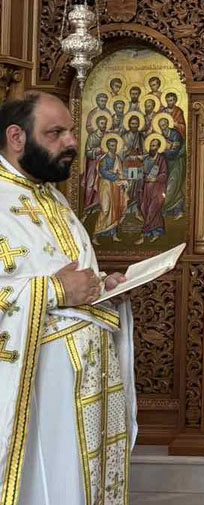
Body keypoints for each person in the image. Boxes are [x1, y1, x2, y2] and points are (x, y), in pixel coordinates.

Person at [0, 92, 135, 505]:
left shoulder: (53, 198)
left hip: (84, 378)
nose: (72, 142)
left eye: (71, 131)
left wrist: (101, 286)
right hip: (39, 390)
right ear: (16, 137)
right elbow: (50, 284)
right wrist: (57, 290)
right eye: (55, 133)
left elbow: (68, 274)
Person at [93, 136, 129, 243]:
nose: (114, 148)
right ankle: (95, 234)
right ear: (108, 146)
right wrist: (117, 177)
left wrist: (122, 180)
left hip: (115, 186)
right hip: (105, 186)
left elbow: (120, 172)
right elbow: (103, 172)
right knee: (105, 209)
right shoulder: (104, 159)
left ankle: (113, 235)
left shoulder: (117, 158)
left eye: (115, 146)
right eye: (112, 146)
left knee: (115, 210)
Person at [136, 135, 168, 244]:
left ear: (158, 147)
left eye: (154, 146)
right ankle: (156, 232)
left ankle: (143, 234)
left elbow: (164, 175)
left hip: (157, 190)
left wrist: (155, 178)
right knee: (145, 208)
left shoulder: (161, 160)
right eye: (151, 145)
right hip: (146, 189)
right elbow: (140, 173)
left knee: (152, 210)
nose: (151, 147)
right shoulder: (146, 159)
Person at [156, 117, 185, 219]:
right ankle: (169, 211)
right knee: (167, 186)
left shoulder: (175, 134)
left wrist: (163, 152)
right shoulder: (160, 136)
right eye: (161, 126)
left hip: (176, 163)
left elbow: (174, 152)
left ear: (168, 124)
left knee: (173, 186)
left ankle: (178, 210)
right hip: (166, 164)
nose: (163, 128)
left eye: (164, 125)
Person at [82, 113, 111, 214]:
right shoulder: (92, 136)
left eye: (105, 123)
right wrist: (96, 151)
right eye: (102, 123)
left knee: (103, 185)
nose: (104, 125)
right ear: (98, 124)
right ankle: (88, 206)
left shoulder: (107, 135)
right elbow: (87, 152)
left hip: (104, 165)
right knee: (90, 184)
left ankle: (100, 206)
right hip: (93, 164)